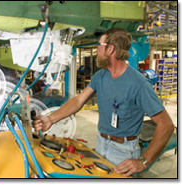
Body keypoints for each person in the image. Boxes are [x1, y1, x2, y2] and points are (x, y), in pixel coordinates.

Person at [32, 28, 175, 177]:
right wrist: (51, 119)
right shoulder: (100, 76)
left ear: (110, 49)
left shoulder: (138, 84)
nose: (97, 49)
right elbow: (78, 101)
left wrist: (144, 161)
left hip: (124, 151)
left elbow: (166, 125)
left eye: (99, 45)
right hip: (101, 143)